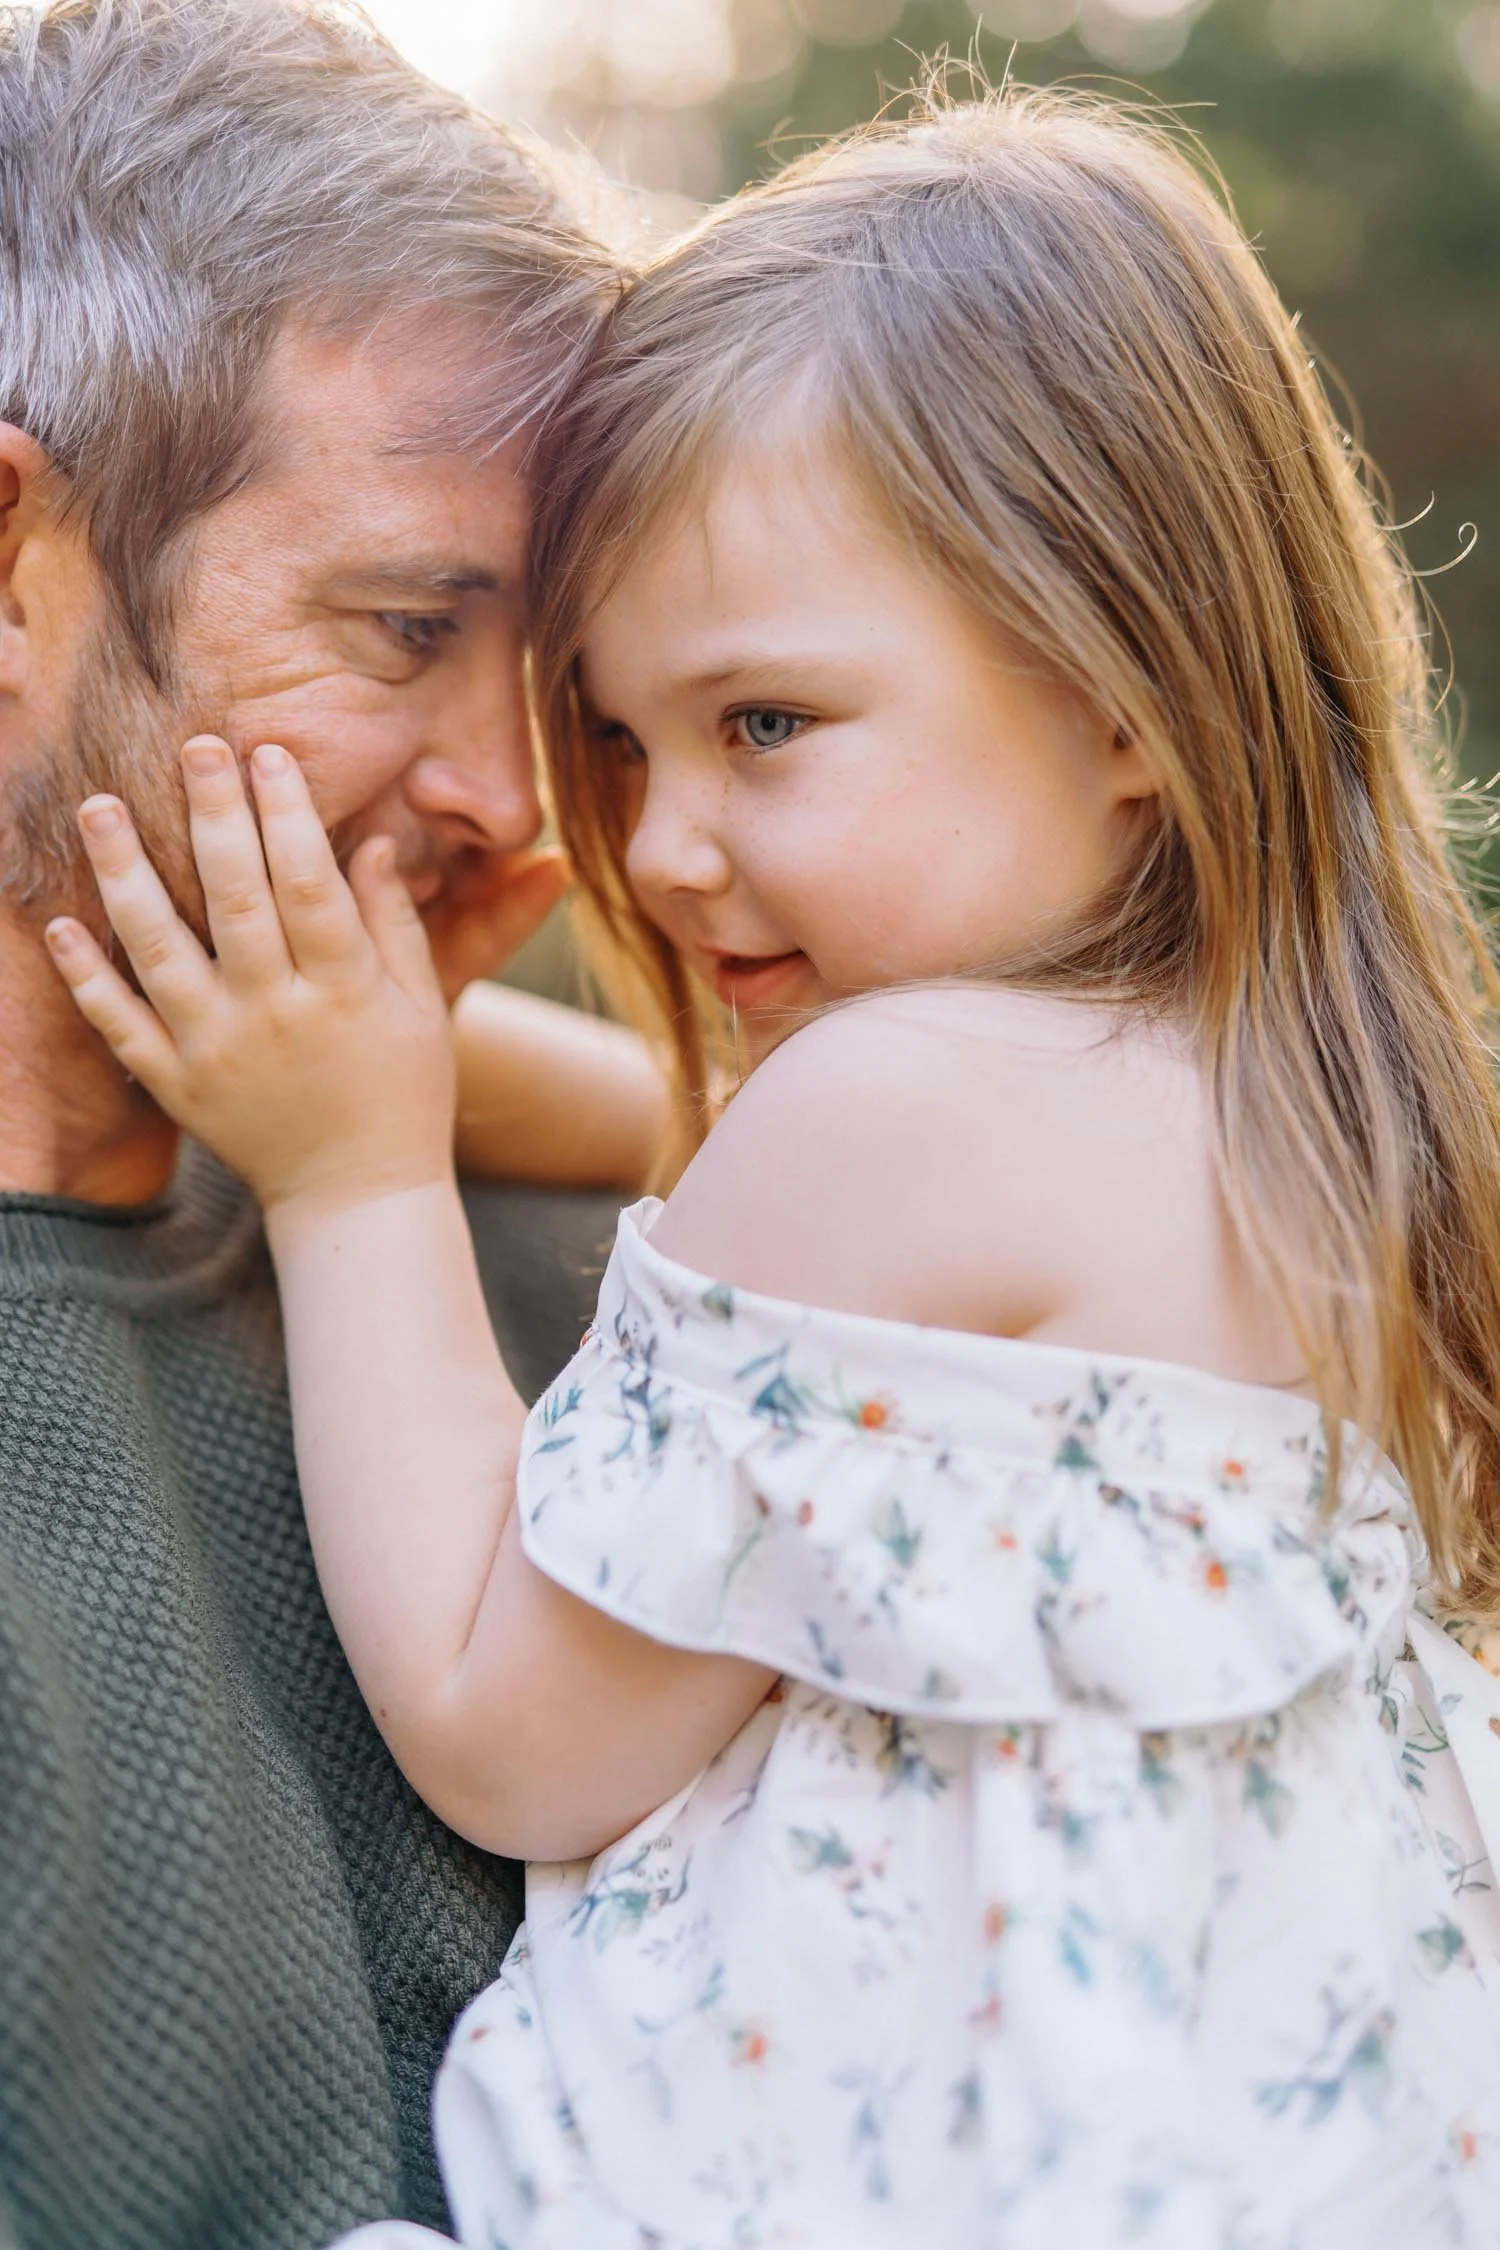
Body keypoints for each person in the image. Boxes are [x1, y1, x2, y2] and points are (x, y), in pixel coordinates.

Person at [52, 83, 1500, 2250]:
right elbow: (671, 1138)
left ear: (1125, 694)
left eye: (764, 726)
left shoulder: (887, 1118)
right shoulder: (1317, 1120)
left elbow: (504, 1726)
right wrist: (385, 1059)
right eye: (620, 737)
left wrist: (350, 1179)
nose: (646, 848)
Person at [0, 2, 666, 2244]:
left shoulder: (600, 1277)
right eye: (404, 629)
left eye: (559, 669)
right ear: (15, 568)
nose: (520, 795)